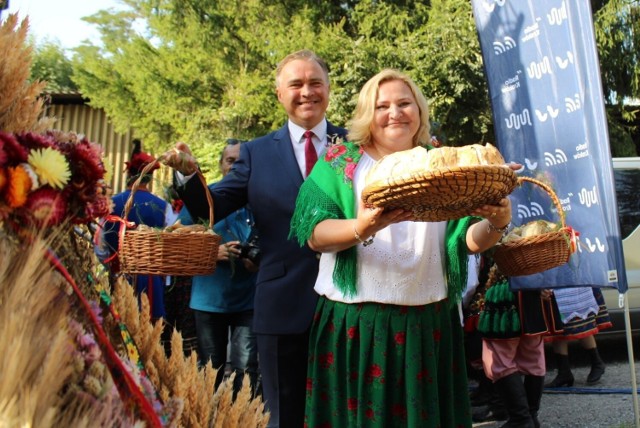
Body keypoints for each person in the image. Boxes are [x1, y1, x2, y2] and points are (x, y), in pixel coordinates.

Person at [288, 69, 515, 427]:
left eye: (404, 103)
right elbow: (315, 233)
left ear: (419, 111)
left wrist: (497, 223)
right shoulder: (342, 162)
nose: (395, 113)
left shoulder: (443, 163)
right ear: (367, 114)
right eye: (382, 105)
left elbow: (467, 241)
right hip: (357, 324)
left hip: (429, 323)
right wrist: (362, 227)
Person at [164, 49, 347, 427]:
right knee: (286, 415)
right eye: (295, 84)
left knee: (347, 411)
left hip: (352, 301)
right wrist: (188, 175)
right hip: (281, 304)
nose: (306, 92)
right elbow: (210, 206)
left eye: (315, 82)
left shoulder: (357, 146)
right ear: (280, 94)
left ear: (329, 89)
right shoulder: (256, 153)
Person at [177, 138, 260, 398]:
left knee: (246, 369)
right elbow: (177, 237)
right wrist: (214, 252)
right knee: (210, 369)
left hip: (249, 300)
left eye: (241, 161)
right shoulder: (204, 198)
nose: (236, 166)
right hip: (209, 300)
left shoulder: (260, 202)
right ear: (221, 164)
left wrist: (258, 259)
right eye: (230, 160)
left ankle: (241, 419)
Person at [97, 139, 177, 320]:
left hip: (118, 276)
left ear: (129, 174)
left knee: (117, 326)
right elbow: (170, 248)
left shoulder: (110, 204)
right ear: (149, 177)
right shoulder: (163, 207)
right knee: (149, 333)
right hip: (151, 282)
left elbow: (100, 247)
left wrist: (111, 265)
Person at [544, 287, 612, 387]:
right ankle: (564, 372)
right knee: (557, 328)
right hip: (553, 283)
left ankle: (597, 362)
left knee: (580, 324)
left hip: (573, 284)